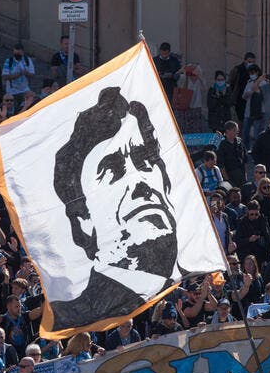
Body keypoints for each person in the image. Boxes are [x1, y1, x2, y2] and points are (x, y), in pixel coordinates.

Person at [50, 87, 185, 329]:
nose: (139, 183)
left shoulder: (191, 285)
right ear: (84, 220)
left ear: (165, 182)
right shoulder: (69, 320)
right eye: (112, 171)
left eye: (144, 161)